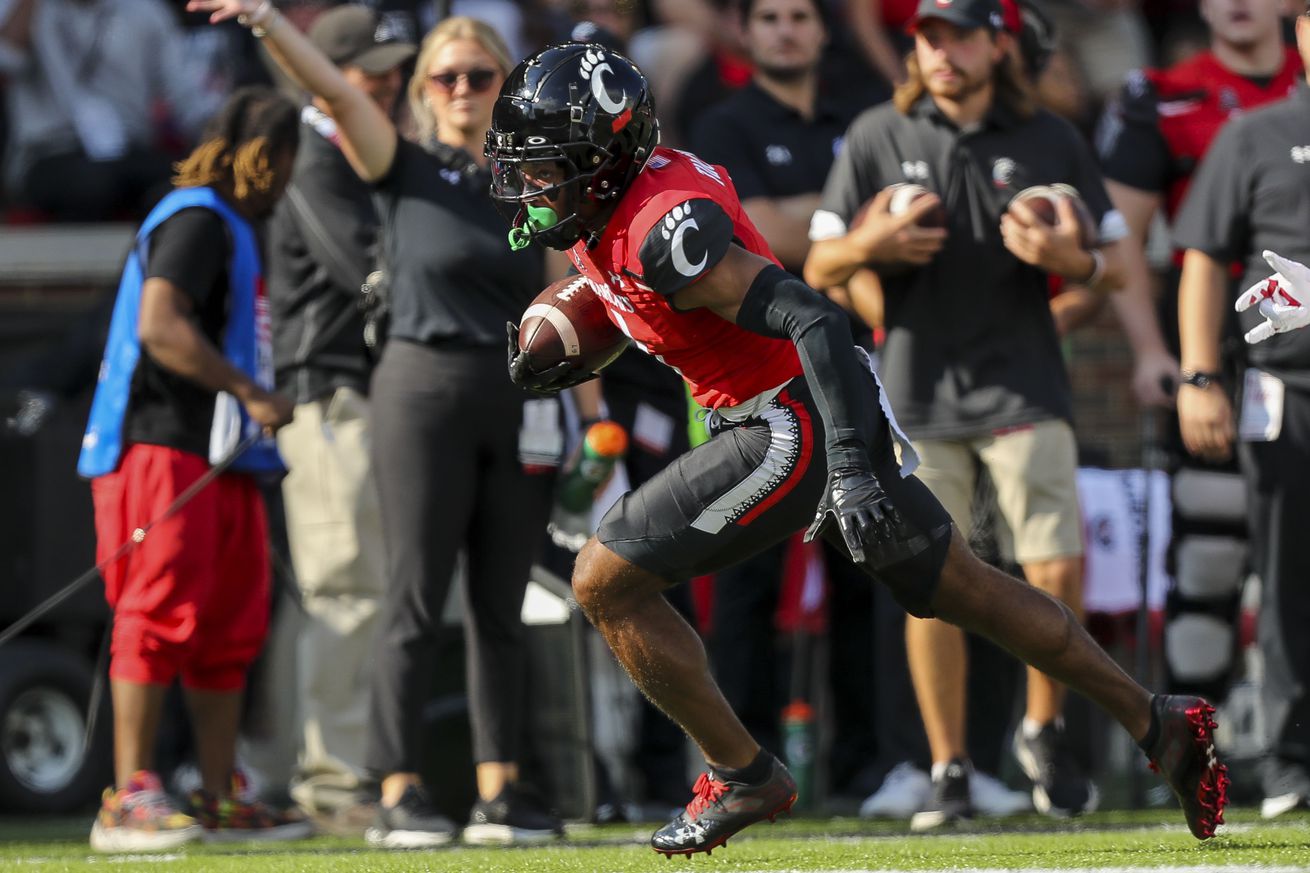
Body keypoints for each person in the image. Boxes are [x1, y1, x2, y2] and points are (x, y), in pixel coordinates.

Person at [483, 38, 1227, 855]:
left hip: (793, 417)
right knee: (970, 591)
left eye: (547, 166)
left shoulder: (665, 227)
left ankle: (740, 773)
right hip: (807, 410)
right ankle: (1157, 721)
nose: (531, 185)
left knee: (603, 580)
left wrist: (846, 468)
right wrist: (590, 326)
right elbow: (651, 302)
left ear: (603, 156)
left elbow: (815, 317)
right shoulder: (614, 207)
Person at [190, 0, 571, 846]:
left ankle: (499, 790)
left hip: (520, 398)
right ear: (423, 94)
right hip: (419, 389)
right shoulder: (399, 164)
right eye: (447, 76)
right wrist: (264, 22)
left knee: (501, 603)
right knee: (409, 593)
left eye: (482, 75)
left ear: (506, 86)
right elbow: (326, 88)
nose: (465, 89)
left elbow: (565, 299)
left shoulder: (533, 183)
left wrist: (593, 420)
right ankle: (399, 788)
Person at [803, 0, 1132, 827]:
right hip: (916, 392)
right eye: (928, 36)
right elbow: (820, 261)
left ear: (997, 43)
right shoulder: (879, 132)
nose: (942, 51)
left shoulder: (1050, 137)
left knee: (1054, 563)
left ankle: (1043, 730)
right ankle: (946, 763)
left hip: (1025, 382)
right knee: (934, 584)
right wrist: (871, 250)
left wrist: (1069, 261)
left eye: (959, 35)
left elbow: (1117, 269)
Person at [689, 0, 950, 815]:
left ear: (822, 28)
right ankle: (743, 768)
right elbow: (753, 232)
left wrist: (824, 230)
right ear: (746, 32)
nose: (787, 30)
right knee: (745, 579)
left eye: (800, 15)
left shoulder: (863, 116)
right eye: (769, 17)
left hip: (852, 369)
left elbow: (790, 228)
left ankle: (869, 766)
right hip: (752, 381)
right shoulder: (723, 125)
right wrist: (850, 226)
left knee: (867, 562)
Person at [76, 86, 311, 851]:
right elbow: (160, 323)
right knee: (156, 611)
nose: (291, 179)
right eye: (289, 162)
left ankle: (216, 795)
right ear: (268, 156)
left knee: (231, 624)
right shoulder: (199, 217)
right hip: (161, 444)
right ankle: (128, 795)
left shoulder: (233, 222)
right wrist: (251, 390)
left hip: (222, 454)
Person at [1095, 0, 1300, 707]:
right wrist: (1164, 357)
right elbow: (1119, 233)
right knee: (1211, 549)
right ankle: (1198, 736)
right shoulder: (1161, 94)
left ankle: (1285, 744)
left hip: (1300, 349)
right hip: (1218, 346)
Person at [264, 4, 414, 825]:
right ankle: (330, 784)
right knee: (345, 590)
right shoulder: (314, 154)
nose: (390, 83)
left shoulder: (355, 147)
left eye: (397, 69)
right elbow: (372, 271)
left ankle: (335, 772)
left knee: (349, 589)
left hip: (362, 394)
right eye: (374, 70)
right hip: (329, 393)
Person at [1172, 7, 1310, 816]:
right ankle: (1294, 764)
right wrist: (1198, 374)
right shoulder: (1254, 133)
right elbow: (1202, 255)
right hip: (1285, 389)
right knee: (1288, 581)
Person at [0, 0, 223, 220]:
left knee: (186, 180)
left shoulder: (145, 11)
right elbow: (6, 60)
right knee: (91, 185)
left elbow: (186, 97)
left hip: (128, 150)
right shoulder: (23, 9)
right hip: (51, 152)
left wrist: (220, 142)